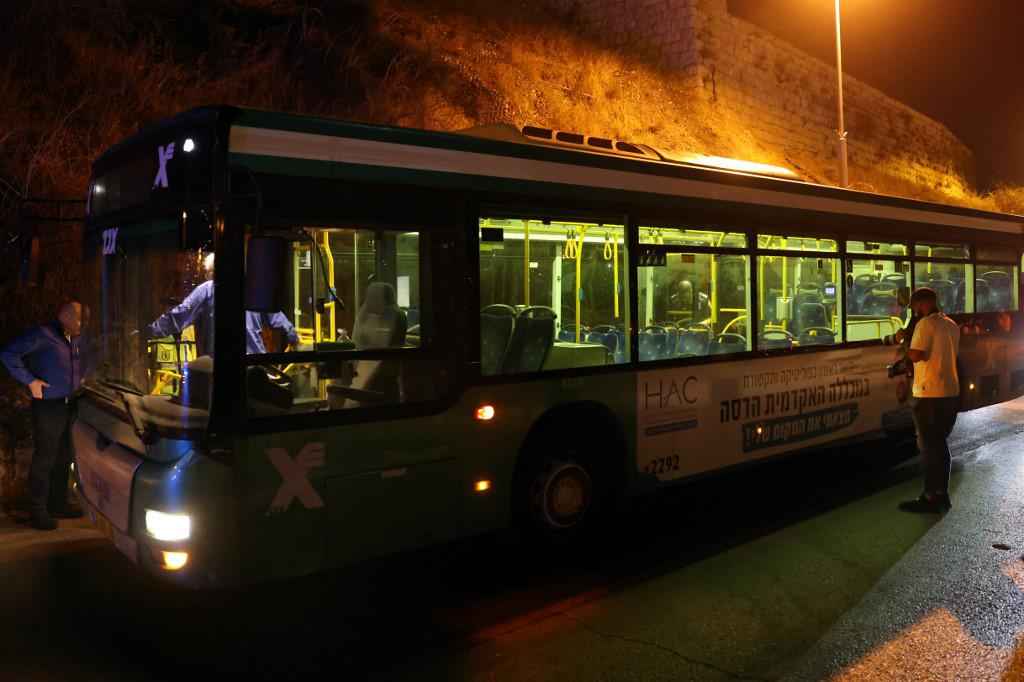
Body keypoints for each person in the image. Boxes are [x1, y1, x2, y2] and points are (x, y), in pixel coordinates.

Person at [0, 301, 86, 530]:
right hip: (48, 406)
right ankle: (37, 512)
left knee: (64, 456)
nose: (82, 324)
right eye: (78, 319)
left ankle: (58, 504)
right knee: (45, 458)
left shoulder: (74, 339)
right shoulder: (42, 335)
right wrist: (30, 381)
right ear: (64, 316)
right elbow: (8, 354)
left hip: (70, 405)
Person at [145, 253, 299, 355]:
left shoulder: (208, 290)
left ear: (214, 272)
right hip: (254, 367)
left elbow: (179, 315)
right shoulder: (253, 291)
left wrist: (150, 331)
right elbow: (278, 318)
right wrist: (293, 336)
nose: (206, 276)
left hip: (221, 367)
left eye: (207, 273)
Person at [896, 287, 961, 513]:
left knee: (929, 447)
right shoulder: (951, 325)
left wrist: (905, 344)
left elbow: (917, 354)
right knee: (940, 445)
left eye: (915, 307)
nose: (914, 311)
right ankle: (941, 494)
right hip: (950, 393)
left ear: (922, 304)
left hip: (929, 394)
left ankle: (931, 496)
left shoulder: (925, 324)